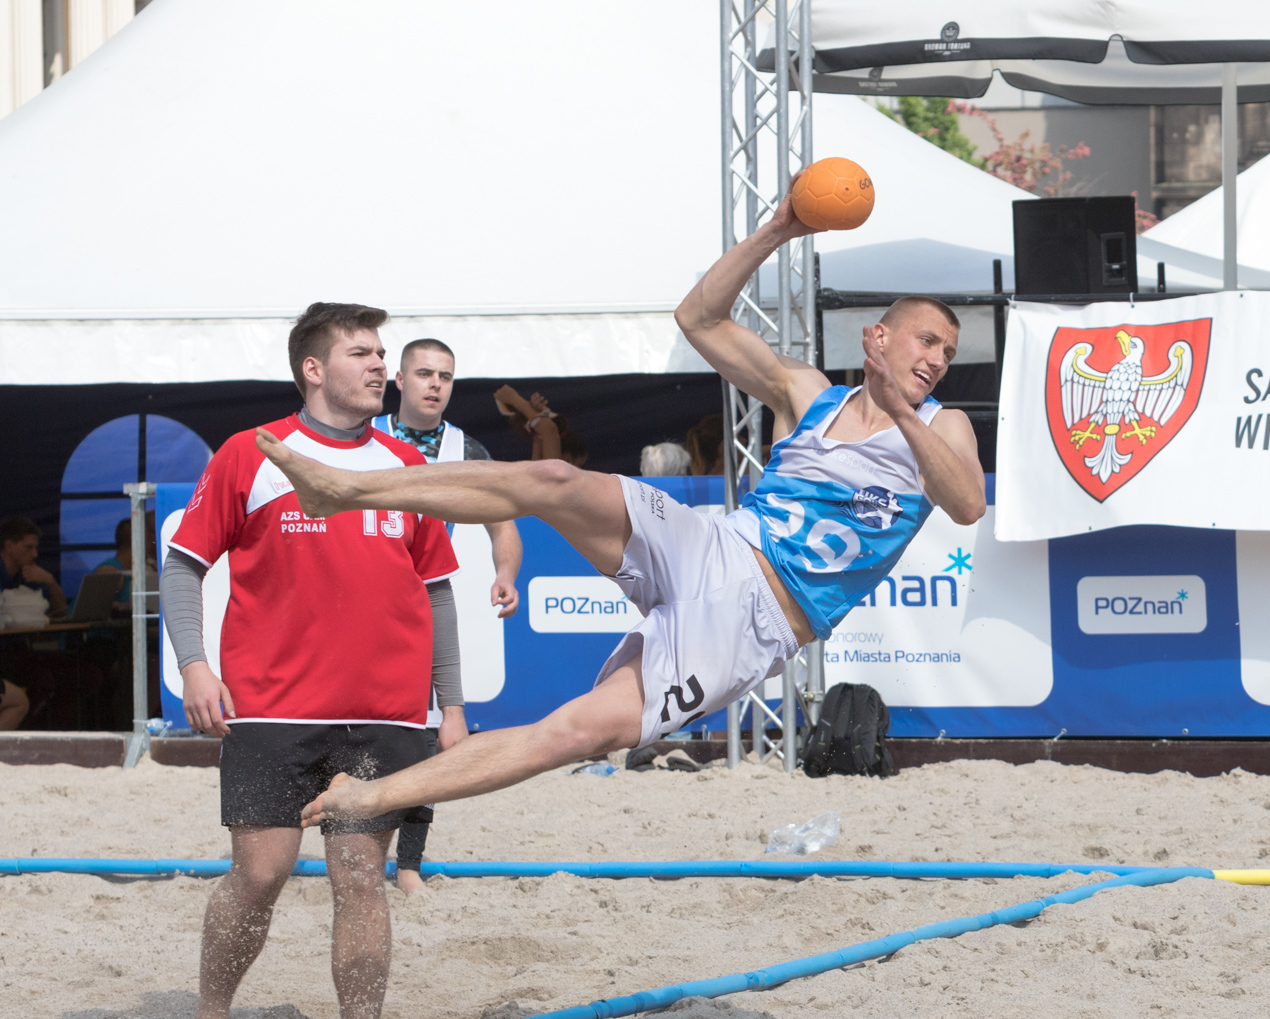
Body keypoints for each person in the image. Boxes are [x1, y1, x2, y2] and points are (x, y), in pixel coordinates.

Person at [256, 190, 986, 832]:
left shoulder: (940, 426)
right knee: (552, 477)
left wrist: (904, 414)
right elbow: (697, 317)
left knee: (570, 732)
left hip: (757, 621)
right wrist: (780, 228)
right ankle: (341, 489)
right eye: (927, 340)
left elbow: (965, 504)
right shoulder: (810, 392)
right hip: (716, 545)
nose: (937, 359)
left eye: (948, 352)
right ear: (879, 336)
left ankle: (366, 796)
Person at [160, 302, 463, 1019]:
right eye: (363, 352)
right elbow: (183, 563)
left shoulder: (407, 466)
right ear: (314, 368)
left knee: (361, 876)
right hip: (271, 708)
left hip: (386, 715)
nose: (380, 367)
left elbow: (437, 589)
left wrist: (451, 703)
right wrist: (195, 662)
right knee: (258, 874)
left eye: (382, 353)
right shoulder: (250, 453)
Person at [373, 337, 523, 895]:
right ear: (400, 381)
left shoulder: (469, 451)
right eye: (424, 374)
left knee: (433, 736)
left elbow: (503, 525)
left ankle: (408, 865)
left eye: (445, 376)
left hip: (424, 604)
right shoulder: (365, 440)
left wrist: (505, 573)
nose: (435, 384)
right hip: (360, 605)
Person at [494, 386, 589, 466]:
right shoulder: (549, 472)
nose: (580, 472)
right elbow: (545, 431)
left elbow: (547, 430)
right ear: (568, 459)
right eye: (579, 466)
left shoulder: (548, 474)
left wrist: (515, 399)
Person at [0, 516, 69, 620]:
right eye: (29, 547)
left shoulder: (29, 573)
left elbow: (61, 614)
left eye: (35, 548)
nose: (35, 554)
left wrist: (51, 582)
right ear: (9, 546)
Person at [90, 514, 160, 611]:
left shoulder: (131, 570)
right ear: (140, 542)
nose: (151, 543)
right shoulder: (109, 571)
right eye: (149, 539)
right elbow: (95, 607)